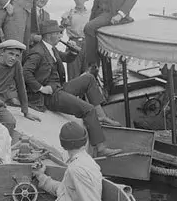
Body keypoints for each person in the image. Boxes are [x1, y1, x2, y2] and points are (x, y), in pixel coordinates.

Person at [23, 20, 122, 158]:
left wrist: (73, 50)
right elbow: (25, 72)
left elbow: (67, 58)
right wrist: (40, 88)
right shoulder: (38, 53)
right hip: (49, 96)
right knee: (88, 109)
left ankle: (102, 116)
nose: (60, 35)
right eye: (58, 33)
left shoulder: (51, 48)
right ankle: (100, 147)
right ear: (50, 35)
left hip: (58, 88)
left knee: (89, 78)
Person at [60, 0, 90, 79]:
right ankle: (73, 92)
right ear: (74, 0)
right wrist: (64, 23)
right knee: (73, 74)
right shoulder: (68, 14)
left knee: (87, 72)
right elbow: (61, 29)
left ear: (85, 0)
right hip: (73, 43)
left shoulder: (90, 13)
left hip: (87, 43)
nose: (79, 1)